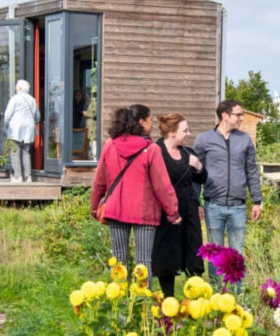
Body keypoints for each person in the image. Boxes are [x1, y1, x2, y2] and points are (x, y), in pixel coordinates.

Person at [90, 104, 181, 279]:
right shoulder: (152, 149)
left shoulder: (110, 144)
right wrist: (173, 211)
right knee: (144, 261)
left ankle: (120, 302)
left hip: (116, 209)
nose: (152, 124)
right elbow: (161, 185)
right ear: (141, 122)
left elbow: (99, 179)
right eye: (150, 120)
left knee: (118, 259)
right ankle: (144, 303)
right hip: (144, 212)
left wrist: (95, 207)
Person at [194, 99, 263, 275]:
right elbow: (195, 174)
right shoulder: (204, 140)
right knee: (213, 252)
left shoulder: (245, 139)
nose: (241, 118)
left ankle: (237, 296)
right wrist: (197, 202)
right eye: (238, 115)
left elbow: (251, 170)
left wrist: (257, 200)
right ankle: (217, 294)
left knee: (237, 254)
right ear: (225, 116)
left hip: (238, 206)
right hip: (213, 205)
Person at [152, 113, 207, 297]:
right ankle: (169, 300)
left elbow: (203, 177)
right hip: (165, 210)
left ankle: (194, 300)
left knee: (193, 250)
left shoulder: (188, 153)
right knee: (167, 253)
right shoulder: (156, 151)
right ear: (173, 133)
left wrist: (198, 166)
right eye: (185, 130)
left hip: (189, 209)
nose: (188, 133)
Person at [3, 80, 40, 182]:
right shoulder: (32, 100)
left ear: (19, 88)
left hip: (15, 129)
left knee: (15, 152)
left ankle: (18, 176)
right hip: (29, 129)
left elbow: (7, 115)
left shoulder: (15, 99)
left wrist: (6, 125)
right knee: (26, 152)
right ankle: (28, 176)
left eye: (16, 87)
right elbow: (37, 116)